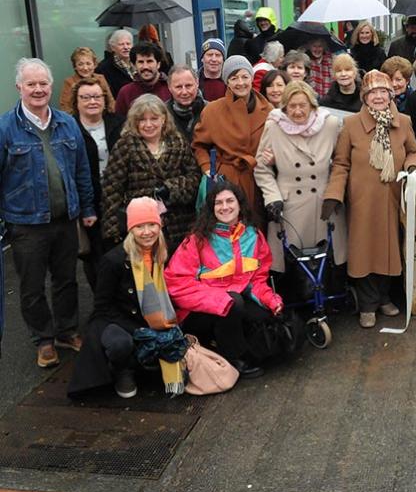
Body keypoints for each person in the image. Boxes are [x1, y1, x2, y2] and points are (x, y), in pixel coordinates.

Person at [0, 58, 95, 368]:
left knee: (67, 279)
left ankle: (67, 331)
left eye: (43, 84)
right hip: (26, 222)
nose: (38, 89)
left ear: (51, 87)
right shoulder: (5, 128)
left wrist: (87, 208)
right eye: (31, 84)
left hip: (66, 218)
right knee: (31, 285)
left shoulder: (67, 123)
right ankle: (43, 339)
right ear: (19, 88)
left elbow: (82, 170)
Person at [323, 70, 416, 329]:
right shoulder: (352, 124)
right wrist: (334, 194)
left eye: (383, 92)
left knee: (388, 249)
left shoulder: (403, 121)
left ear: (391, 95)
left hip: (392, 197)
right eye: (372, 93)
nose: (378, 97)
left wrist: (412, 169)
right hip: (362, 200)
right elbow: (341, 163)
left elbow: (414, 152)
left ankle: (383, 298)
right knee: (364, 249)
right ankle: (367, 305)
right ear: (364, 97)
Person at [68, 197, 186, 399]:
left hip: (156, 319)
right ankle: (123, 371)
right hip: (118, 321)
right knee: (120, 344)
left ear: (160, 225)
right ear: (130, 229)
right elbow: (103, 307)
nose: (147, 232)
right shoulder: (113, 260)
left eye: (151, 224)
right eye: (140, 226)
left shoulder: (166, 253)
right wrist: (139, 330)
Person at [165, 181, 284, 379]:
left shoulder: (253, 236)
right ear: (212, 209)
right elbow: (176, 283)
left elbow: (257, 279)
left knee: (263, 317)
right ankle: (234, 358)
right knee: (232, 304)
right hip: (198, 312)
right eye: (218, 203)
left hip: (233, 301)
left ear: (240, 205)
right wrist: (219, 299)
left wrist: (271, 300)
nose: (225, 206)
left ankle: (228, 345)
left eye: (230, 201)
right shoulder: (197, 240)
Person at [254, 81, 347, 276]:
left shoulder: (330, 124)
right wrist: (272, 198)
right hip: (288, 205)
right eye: (292, 106)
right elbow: (261, 168)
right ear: (285, 107)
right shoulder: (273, 126)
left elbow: (341, 162)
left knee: (328, 261)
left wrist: (336, 192)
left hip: (323, 201)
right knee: (291, 264)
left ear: (312, 106)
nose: (297, 111)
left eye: (302, 105)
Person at [102, 94, 200, 252]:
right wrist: (113, 231)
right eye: (142, 120)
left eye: (154, 118)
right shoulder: (125, 145)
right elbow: (112, 190)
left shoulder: (178, 142)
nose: (148, 124)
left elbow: (195, 178)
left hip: (179, 225)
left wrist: (170, 188)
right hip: (142, 227)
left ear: (163, 119)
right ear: (135, 122)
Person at [192, 56, 272, 211]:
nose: (240, 83)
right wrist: (208, 168)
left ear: (252, 78)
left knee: (255, 228)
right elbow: (199, 145)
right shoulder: (212, 111)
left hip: (258, 179)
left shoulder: (268, 111)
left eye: (244, 76)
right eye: (234, 78)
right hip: (226, 182)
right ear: (226, 82)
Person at [72, 77, 123, 291]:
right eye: (86, 97)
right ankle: (100, 300)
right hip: (88, 200)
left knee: (118, 251)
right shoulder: (69, 128)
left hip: (118, 199)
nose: (92, 101)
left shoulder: (118, 123)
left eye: (96, 96)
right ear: (77, 101)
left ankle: (120, 299)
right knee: (93, 255)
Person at [114, 42, 171, 118]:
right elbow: (119, 123)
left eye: (149, 61)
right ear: (134, 65)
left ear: (158, 64)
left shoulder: (170, 88)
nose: (145, 66)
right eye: (141, 62)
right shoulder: (125, 93)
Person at [58, 47, 115, 114]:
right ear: (75, 66)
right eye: (80, 64)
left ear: (94, 65)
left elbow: (111, 102)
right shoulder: (69, 82)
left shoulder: (101, 78)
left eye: (88, 63)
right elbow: (65, 108)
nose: (85, 68)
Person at [165, 65, 206, 142]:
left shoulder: (211, 111)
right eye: (178, 87)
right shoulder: (162, 114)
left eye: (188, 86)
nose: (184, 92)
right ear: (169, 87)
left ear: (197, 83)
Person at [95, 29, 135, 97]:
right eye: (121, 44)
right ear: (113, 48)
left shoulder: (138, 62)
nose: (126, 47)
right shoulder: (103, 68)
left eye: (128, 44)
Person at [197, 38, 227, 102]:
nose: (214, 59)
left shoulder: (230, 81)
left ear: (223, 60)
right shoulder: (194, 82)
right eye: (210, 55)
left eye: (218, 55)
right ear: (202, 58)